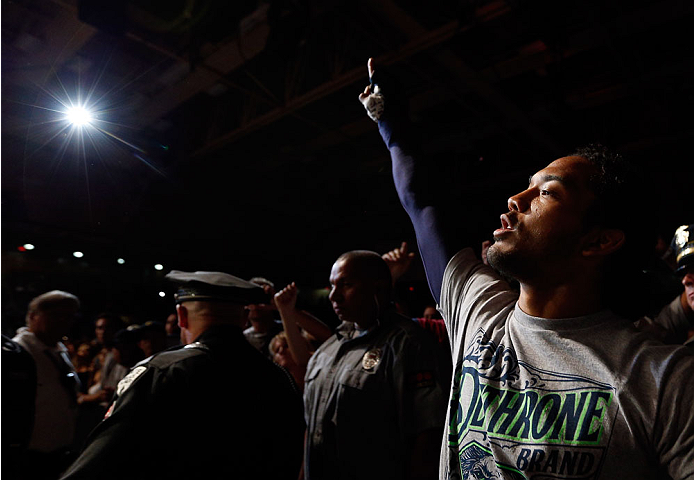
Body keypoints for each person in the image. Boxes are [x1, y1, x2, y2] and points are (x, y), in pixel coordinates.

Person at [359, 58, 694, 479]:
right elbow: (423, 204)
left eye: (547, 193)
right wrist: (390, 125)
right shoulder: (477, 309)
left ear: (600, 240)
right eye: (527, 185)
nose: (516, 198)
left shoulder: (665, 381)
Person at [60, 270, 305, 480]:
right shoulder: (277, 377)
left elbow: (101, 460)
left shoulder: (162, 371)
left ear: (182, 316)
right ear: (243, 320)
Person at [303, 250, 448, 480]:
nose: (334, 296)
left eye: (346, 285)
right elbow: (313, 427)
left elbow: (427, 435)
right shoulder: (329, 348)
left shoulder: (409, 344)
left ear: (379, 289)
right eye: (332, 286)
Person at [12, 290, 81, 480]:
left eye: (69, 316)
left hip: (58, 451)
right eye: (56, 315)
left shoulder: (57, 349)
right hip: (29, 457)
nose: (64, 321)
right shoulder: (19, 353)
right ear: (33, 316)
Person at [272, 282, 333, 390]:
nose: (281, 351)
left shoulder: (319, 368)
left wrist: (285, 309)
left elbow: (329, 338)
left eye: (287, 346)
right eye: (277, 350)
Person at [243, 276, 284, 358]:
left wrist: (281, 306)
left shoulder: (288, 330)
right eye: (252, 297)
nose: (256, 304)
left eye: (261, 297)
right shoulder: (241, 338)